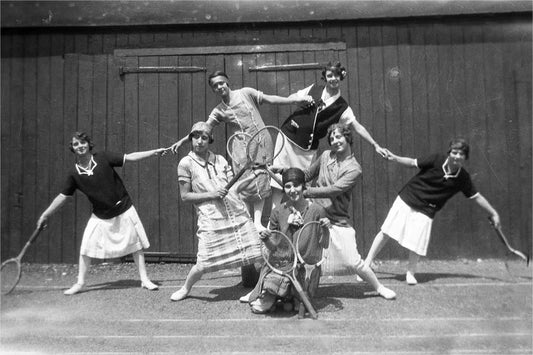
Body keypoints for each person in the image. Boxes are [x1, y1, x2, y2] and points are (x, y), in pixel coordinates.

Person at [170, 71, 312, 230]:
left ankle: (258, 223)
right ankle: (248, 221)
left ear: (227, 82)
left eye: (221, 83)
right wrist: (183, 141)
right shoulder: (219, 111)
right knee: (245, 182)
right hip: (241, 149)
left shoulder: (246, 93)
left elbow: (270, 99)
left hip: (261, 142)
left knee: (262, 177)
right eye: (215, 86)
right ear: (213, 90)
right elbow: (203, 129)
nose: (219, 87)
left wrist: (294, 100)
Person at [36, 132, 166, 295]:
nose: (80, 146)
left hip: (123, 208)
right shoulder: (74, 174)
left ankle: (145, 280)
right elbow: (63, 196)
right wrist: (45, 214)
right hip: (100, 215)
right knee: (85, 247)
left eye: (82, 143)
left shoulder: (103, 157)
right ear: (73, 149)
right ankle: (80, 283)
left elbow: (130, 157)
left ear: (89, 144)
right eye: (76, 144)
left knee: (136, 245)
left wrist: (153, 152)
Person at [277, 123, 396, 300]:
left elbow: (334, 190)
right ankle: (286, 290)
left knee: (353, 261)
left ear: (347, 138)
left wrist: (304, 191)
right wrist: (286, 172)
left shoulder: (354, 169)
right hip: (314, 214)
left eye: (339, 137)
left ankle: (379, 287)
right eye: (332, 138)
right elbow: (307, 175)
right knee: (297, 252)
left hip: (336, 219)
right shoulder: (325, 156)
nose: (335, 141)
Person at [362, 138, 501, 285]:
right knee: (386, 232)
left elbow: (476, 197)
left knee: (416, 242)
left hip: (427, 209)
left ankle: (410, 273)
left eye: (461, 154)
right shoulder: (436, 159)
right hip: (408, 197)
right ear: (449, 154)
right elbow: (412, 163)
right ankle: (366, 264)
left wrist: (493, 213)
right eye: (455, 152)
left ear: (465, 157)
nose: (457, 156)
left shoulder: (463, 178)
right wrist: (394, 158)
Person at [270, 61, 390, 210]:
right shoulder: (314, 88)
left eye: (336, 76)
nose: (333, 78)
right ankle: (273, 219)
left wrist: (375, 145)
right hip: (288, 136)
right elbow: (294, 96)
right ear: (325, 77)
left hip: (306, 149)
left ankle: (297, 219)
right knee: (277, 183)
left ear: (341, 77)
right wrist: (298, 99)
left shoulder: (342, 107)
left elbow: (357, 126)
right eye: (329, 75)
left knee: (300, 183)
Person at [170, 122, 264, 301]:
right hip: (210, 218)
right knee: (203, 263)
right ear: (191, 139)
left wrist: (252, 176)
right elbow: (185, 196)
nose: (199, 141)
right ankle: (185, 288)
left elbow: (234, 188)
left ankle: (260, 290)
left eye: (204, 137)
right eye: (196, 137)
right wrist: (212, 194)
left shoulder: (220, 160)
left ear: (209, 140)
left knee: (257, 252)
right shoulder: (185, 163)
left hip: (235, 212)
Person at [247, 168, 330, 314]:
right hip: (282, 265)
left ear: (303, 185)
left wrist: (325, 229)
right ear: (284, 188)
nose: (292, 190)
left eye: (296, 185)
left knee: (299, 307)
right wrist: (266, 239)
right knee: (260, 307)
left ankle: (289, 297)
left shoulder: (317, 210)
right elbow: (273, 248)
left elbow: (324, 244)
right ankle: (279, 295)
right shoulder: (277, 212)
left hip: (305, 269)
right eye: (287, 186)